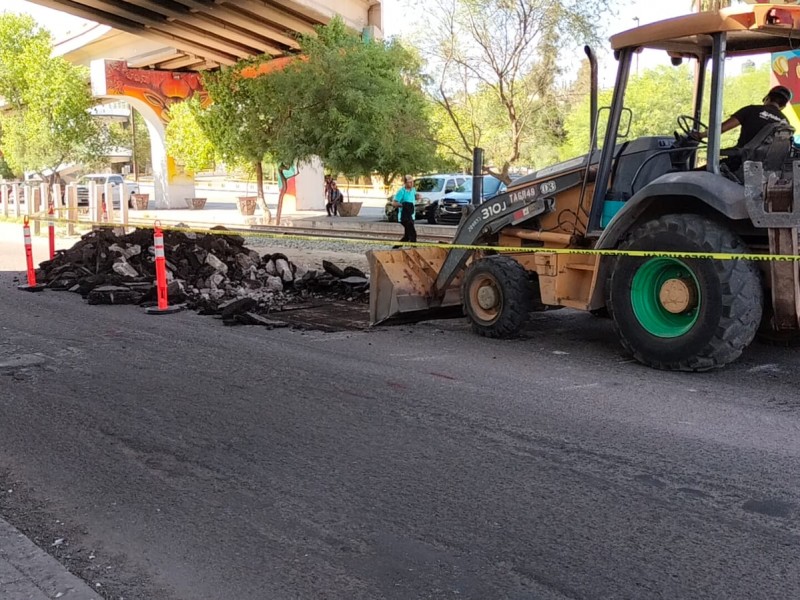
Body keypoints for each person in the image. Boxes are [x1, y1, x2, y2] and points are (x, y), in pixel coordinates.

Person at [693, 85, 791, 148]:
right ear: (783, 106)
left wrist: (700, 135)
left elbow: (720, 129)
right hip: (766, 171)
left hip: (739, 164)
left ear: (767, 98)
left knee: (695, 176)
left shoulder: (751, 110)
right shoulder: (785, 122)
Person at [392, 174, 417, 247]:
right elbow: (394, 203)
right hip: (404, 216)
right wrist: (404, 205)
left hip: (412, 215)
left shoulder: (413, 190)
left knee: (407, 236)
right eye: (409, 182)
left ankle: (396, 247)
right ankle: (414, 249)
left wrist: (417, 196)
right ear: (405, 183)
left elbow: (414, 196)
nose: (411, 183)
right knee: (413, 234)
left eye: (412, 182)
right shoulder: (401, 191)